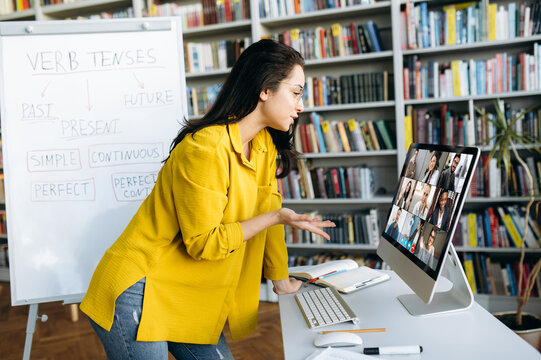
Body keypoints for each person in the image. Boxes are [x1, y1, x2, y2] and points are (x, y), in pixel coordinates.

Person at [79, 39, 336, 360]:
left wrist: (281, 281)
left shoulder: (264, 146)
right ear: (265, 90)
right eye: (296, 93)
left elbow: (271, 215)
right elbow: (204, 243)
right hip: (137, 290)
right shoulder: (204, 149)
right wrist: (276, 217)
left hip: (182, 292)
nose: (301, 105)